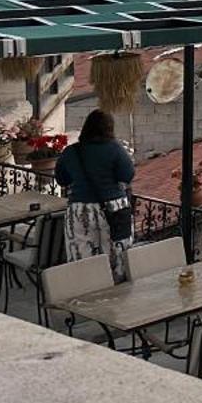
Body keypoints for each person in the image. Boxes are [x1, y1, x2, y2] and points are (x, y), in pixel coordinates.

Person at [55, 109, 135, 280]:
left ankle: (89, 295)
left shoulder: (71, 152)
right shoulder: (115, 149)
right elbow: (127, 175)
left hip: (80, 210)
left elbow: (61, 179)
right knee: (117, 257)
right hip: (114, 209)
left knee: (83, 260)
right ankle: (117, 297)